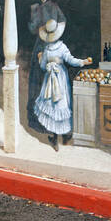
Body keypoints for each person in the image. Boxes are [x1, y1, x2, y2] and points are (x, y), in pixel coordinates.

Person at [33, 18, 92, 149]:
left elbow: (43, 67)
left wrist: (40, 58)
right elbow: (71, 60)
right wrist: (83, 62)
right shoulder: (62, 47)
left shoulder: (47, 49)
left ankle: (54, 138)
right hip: (60, 79)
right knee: (62, 105)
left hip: (50, 79)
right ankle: (65, 136)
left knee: (52, 106)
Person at [25, 0, 65, 136]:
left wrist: (32, 13)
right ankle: (51, 121)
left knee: (38, 84)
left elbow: (33, 28)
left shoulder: (40, 9)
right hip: (55, 49)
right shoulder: (56, 7)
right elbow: (62, 23)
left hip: (41, 50)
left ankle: (37, 121)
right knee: (52, 84)